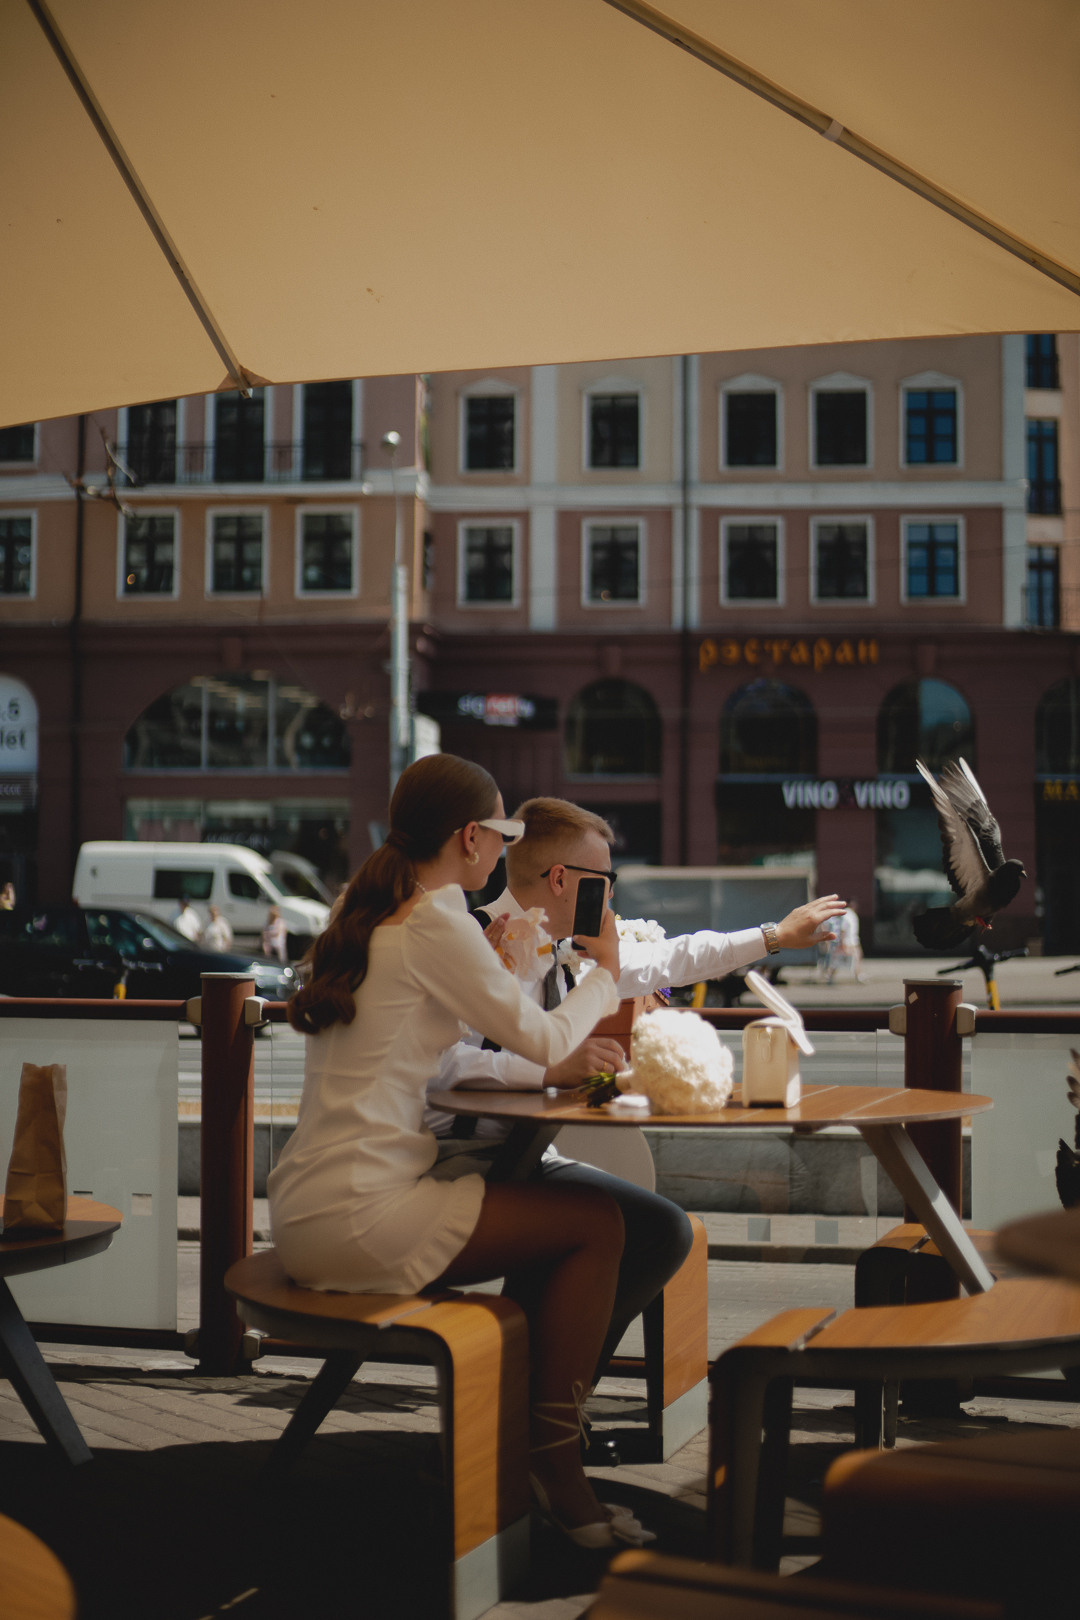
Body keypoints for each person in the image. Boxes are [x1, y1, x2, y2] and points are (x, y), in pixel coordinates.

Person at [268, 754, 649, 1547]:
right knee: (598, 1226)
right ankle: (551, 1462)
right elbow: (544, 1037)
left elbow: (445, 1031)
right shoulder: (438, 918)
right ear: (472, 839)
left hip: (308, 1202)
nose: (505, 850)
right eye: (505, 835)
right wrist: (606, 976)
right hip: (361, 1214)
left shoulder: (373, 906)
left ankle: (526, 1451)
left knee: (571, 1223)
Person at [426, 797, 846, 1372]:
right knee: (641, 1230)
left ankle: (548, 1391)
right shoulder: (469, 943)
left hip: (524, 1158)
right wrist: (546, 1072)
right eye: (606, 880)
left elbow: (674, 958)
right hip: (457, 1161)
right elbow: (437, 1067)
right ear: (560, 880)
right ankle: (532, 1395)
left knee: (664, 1231)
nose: (613, 895)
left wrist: (774, 936)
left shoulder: (573, 953)